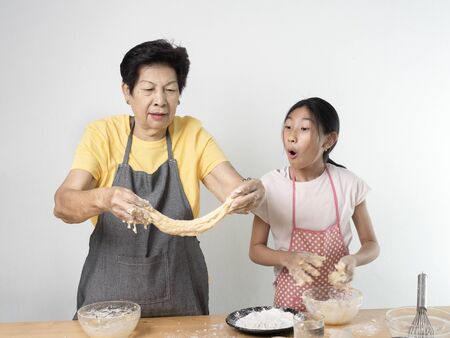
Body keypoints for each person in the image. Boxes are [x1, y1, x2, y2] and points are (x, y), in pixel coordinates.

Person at [53, 39, 264, 317]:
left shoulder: (191, 133)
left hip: (181, 294)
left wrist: (252, 192)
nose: (160, 101)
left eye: (171, 90)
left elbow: (233, 192)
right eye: (148, 89)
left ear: (180, 95)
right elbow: (63, 205)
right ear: (127, 92)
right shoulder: (102, 135)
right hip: (107, 304)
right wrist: (106, 197)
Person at [249, 97, 379, 311]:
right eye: (288, 126)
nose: (291, 137)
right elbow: (255, 249)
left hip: (337, 305)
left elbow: (371, 244)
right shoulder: (270, 186)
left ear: (328, 141)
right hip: (289, 305)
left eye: (304, 129)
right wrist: (286, 258)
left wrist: (353, 260)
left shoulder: (347, 184)